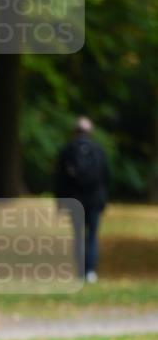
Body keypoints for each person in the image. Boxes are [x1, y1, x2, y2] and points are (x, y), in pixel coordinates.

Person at [55, 116, 110, 283]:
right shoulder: (98, 150)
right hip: (95, 201)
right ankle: (91, 272)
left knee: (78, 236)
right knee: (92, 237)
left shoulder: (67, 150)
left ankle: (80, 271)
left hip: (75, 201)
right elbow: (106, 177)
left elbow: (60, 180)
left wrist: (60, 202)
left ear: (75, 132)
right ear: (90, 132)